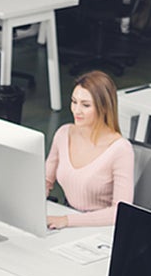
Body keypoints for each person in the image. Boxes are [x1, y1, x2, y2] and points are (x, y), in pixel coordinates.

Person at [44, 70, 134, 229]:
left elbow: (119, 211)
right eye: (74, 102)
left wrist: (67, 220)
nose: (76, 110)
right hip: (69, 220)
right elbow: (45, 181)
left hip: (101, 228)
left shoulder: (121, 150)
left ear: (104, 107)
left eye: (85, 105)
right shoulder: (63, 133)